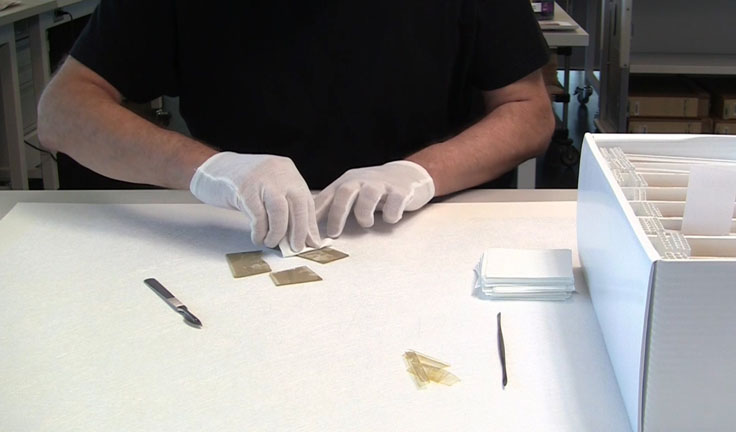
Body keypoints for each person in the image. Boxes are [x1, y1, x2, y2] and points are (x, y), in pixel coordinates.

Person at [38, 1, 555, 252]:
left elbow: (527, 109)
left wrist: (419, 173)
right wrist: (212, 170)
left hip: (422, 236)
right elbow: (63, 112)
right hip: (240, 238)